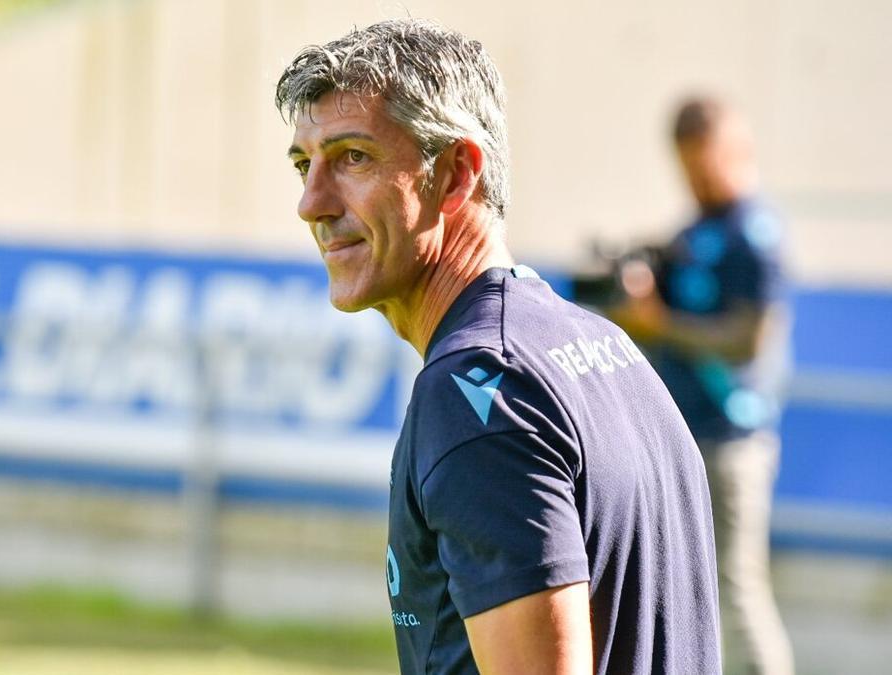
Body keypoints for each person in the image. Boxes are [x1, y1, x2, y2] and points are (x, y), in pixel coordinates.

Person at [276, 19, 720, 675]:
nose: (312, 203)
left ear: (455, 174)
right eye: (303, 164)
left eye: (353, 157)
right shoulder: (603, 343)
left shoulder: (478, 388)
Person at [611, 97, 795, 675]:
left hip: (731, 436)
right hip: (680, 434)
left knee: (736, 590)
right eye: (686, 163)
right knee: (677, 588)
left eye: (704, 160)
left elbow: (749, 340)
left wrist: (659, 324)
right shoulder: (690, 231)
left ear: (734, 149)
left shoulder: (753, 232)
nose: (695, 175)